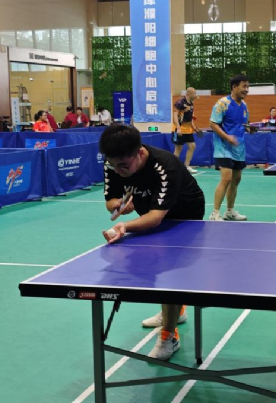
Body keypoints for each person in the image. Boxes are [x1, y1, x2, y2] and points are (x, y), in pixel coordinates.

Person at [100, 124, 206, 360]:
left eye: (124, 166)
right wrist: (119, 205)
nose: (118, 171)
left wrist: (125, 226)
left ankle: (168, 336)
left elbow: (157, 218)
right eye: (114, 165)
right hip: (149, 210)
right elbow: (110, 201)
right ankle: (173, 312)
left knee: (171, 270)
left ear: (139, 153)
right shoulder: (114, 163)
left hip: (185, 215)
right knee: (155, 267)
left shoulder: (165, 166)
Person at [209, 74, 250, 221]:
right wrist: (227, 137)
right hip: (223, 147)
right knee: (226, 178)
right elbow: (213, 123)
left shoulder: (244, 106)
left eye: (248, 86)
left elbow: (243, 124)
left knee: (236, 179)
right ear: (234, 87)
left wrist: (249, 128)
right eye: (244, 86)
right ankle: (215, 213)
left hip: (239, 148)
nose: (247, 90)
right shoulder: (223, 103)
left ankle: (229, 211)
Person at [172, 88, 201, 174]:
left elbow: (190, 116)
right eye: (194, 94)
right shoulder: (180, 103)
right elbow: (175, 116)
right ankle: (173, 167)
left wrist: (194, 126)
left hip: (188, 130)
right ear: (188, 94)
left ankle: (186, 166)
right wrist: (178, 128)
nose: (196, 95)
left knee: (192, 146)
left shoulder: (191, 103)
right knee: (178, 148)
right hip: (179, 129)